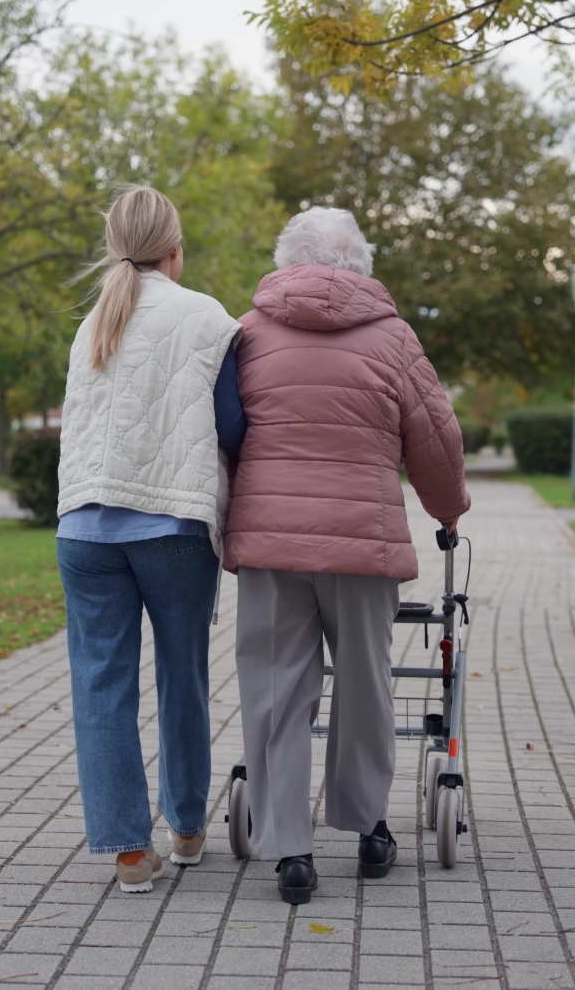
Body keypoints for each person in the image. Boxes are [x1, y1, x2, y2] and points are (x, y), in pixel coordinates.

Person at [225, 206, 470, 904]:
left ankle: (290, 853)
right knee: (365, 681)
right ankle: (368, 829)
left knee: (275, 689)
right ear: (358, 262)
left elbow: (224, 431)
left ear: (287, 259)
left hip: (271, 541)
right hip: (362, 543)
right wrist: (447, 509)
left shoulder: (247, 333)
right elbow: (436, 438)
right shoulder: (394, 337)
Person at [57, 186, 245, 892]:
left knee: (100, 684)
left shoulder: (92, 323)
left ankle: (129, 854)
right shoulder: (206, 316)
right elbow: (232, 423)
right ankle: (188, 826)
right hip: (169, 522)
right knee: (182, 673)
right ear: (176, 247)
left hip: (83, 528)